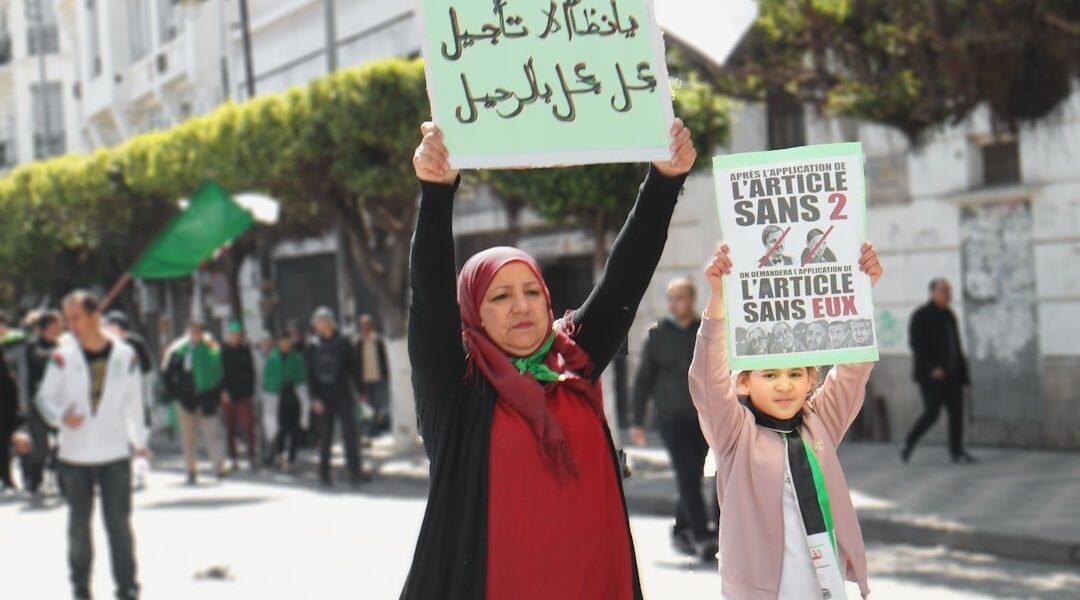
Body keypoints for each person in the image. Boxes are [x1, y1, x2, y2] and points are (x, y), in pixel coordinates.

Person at [400, 118, 696, 599]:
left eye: (532, 292)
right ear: (473, 314)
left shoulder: (574, 359)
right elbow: (429, 299)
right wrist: (436, 193)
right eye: (499, 297)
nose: (521, 306)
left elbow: (625, 277)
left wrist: (664, 181)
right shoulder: (456, 386)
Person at [690, 243, 883, 600]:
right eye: (770, 374)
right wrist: (718, 300)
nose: (784, 385)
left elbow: (853, 371)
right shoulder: (734, 434)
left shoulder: (819, 422)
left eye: (795, 374)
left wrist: (860, 293)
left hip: (826, 588)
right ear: (744, 382)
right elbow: (706, 381)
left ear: (810, 380)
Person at [35, 291, 148, 600]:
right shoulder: (62, 357)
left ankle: (127, 586)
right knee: (79, 525)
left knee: (119, 524)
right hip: (75, 455)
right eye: (67, 319)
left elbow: (135, 401)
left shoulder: (125, 355)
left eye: (76, 317)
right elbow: (44, 399)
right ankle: (81, 586)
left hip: (114, 452)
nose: (71, 325)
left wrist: (139, 441)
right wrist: (61, 417)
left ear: (95, 316)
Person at [629, 277, 718, 560]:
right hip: (670, 419)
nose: (673, 304)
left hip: (701, 418)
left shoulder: (704, 332)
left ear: (691, 299)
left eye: (679, 298)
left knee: (692, 475)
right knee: (687, 475)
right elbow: (643, 381)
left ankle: (681, 529)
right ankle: (702, 537)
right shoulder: (657, 335)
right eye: (670, 298)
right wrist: (637, 421)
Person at [902, 278, 976, 464]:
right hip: (931, 377)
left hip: (953, 375)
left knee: (956, 413)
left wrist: (963, 373)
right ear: (933, 293)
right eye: (943, 291)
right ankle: (910, 441)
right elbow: (917, 345)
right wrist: (931, 368)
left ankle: (956, 451)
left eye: (948, 291)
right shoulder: (921, 315)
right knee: (932, 412)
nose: (947, 295)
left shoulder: (949, 315)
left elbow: (955, 345)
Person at [307, 307, 367, 486]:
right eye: (316, 322)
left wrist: (361, 391)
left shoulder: (343, 342)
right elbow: (310, 374)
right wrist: (314, 398)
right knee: (325, 436)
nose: (318, 325)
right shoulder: (312, 345)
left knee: (350, 434)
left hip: (343, 394)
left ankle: (354, 472)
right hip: (323, 396)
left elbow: (353, 368)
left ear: (329, 322)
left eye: (320, 321)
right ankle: (324, 473)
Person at [163, 320, 227, 484]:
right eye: (192, 332)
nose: (195, 335)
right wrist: (176, 394)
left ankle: (219, 466)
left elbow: (220, 371)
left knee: (214, 433)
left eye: (198, 332)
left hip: (208, 399)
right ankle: (190, 469)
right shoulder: (179, 351)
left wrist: (218, 392)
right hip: (186, 400)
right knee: (189, 438)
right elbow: (168, 374)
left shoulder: (212, 348)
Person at [20, 310, 63, 497]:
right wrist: (58, 354)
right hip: (38, 403)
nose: (60, 328)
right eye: (56, 324)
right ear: (47, 327)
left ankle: (63, 481)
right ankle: (33, 481)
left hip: (59, 402)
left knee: (64, 443)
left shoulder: (60, 345)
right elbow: (40, 358)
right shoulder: (33, 346)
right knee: (40, 448)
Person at [263, 330, 309, 470]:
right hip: (279, 397)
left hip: (294, 395)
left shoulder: (296, 357)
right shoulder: (273, 357)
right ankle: (280, 454)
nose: (285, 344)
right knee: (281, 428)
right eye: (282, 342)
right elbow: (268, 377)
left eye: (287, 342)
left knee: (294, 429)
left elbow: (301, 375)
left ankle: (291, 456)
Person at [221, 321, 258, 471]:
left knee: (248, 424)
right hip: (228, 395)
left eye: (238, 335)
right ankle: (233, 457)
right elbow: (220, 372)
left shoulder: (245, 350)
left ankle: (252, 456)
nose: (235, 337)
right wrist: (223, 390)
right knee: (230, 427)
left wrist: (250, 392)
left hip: (243, 394)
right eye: (233, 334)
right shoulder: (223, 351)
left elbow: (251, 371)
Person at [354, 314, 391, 437]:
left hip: (378, 379)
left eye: (368, 325)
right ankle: (364, 430)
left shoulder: (378, 341)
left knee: (378, 405)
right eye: (363, 325)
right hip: (363, 380)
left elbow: (384, 358)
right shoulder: (358, 342)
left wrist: (387, 374)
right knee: (364, 407)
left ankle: (374, 429)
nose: (366, 327)